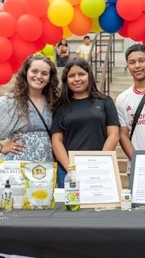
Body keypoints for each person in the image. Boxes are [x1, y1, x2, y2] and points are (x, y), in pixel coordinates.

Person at [0, 54, 60, 162]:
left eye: (44, 73)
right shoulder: (12, 101)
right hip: (18, 164)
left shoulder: (53, 101)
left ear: (49, 78)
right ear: (26, 73)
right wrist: (1, 147)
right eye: (34, 71)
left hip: (46, 164)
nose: (39, 76)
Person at [51, 57, 120, 187]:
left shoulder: (105, 101)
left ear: (89, 76)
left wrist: (98, 164)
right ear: (66, 80)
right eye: (72, 76)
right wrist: (70, 169)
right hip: (67, 170)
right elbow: (56, 141)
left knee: (99, 206)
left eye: (81, 74)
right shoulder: (60, 106)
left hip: (99, 168)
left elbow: (114, 134)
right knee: (69, 207)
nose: (77, 79)